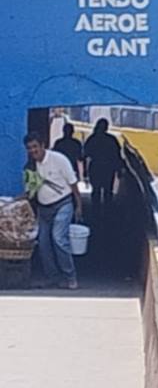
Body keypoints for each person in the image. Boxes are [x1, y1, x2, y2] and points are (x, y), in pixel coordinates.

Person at [25, 132, 82, 289]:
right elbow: (30, 191)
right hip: (44, 209)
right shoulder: (30, 166)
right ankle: (53, 277)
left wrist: (78, 206)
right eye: (29, 148)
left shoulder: (59, 160)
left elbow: (73, 184)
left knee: (58, 238)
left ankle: (70, 276)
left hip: (63, 203)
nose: (33, 151)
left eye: (35, 147)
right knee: (43, 243)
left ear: (43, 145)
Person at [83, 118, 123, 212]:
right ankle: (108, 212)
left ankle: (95, 211)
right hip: (108, 168)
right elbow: (117, 156)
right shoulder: (112, 140)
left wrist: (85, 172)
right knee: (108, 191)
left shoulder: (92, 139)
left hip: (95, 167)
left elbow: (85, 155)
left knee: (95, 191)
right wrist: (119, 170)